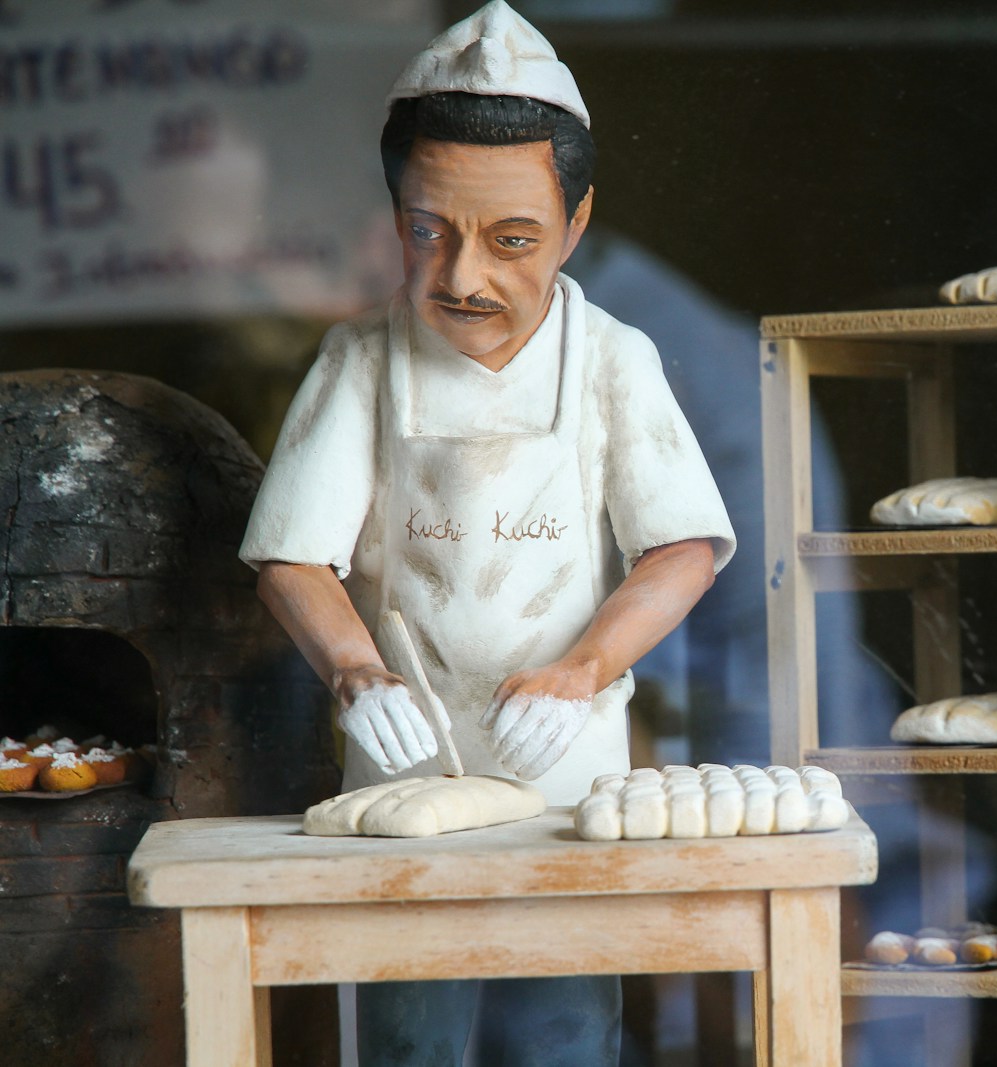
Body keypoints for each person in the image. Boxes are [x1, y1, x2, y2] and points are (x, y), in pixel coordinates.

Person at [239, 4, 734, 1063]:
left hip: (565, 770)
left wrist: (583, 670)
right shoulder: (360, 361)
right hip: (403, 767)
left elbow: (682, 547)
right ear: (394, 217)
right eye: (431, 232)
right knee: (408, 1029)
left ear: (576, 222)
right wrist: (355, 674)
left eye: (512, 241)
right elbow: (292, 555)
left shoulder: (612, 360)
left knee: (565, 1025)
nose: (465, 277)